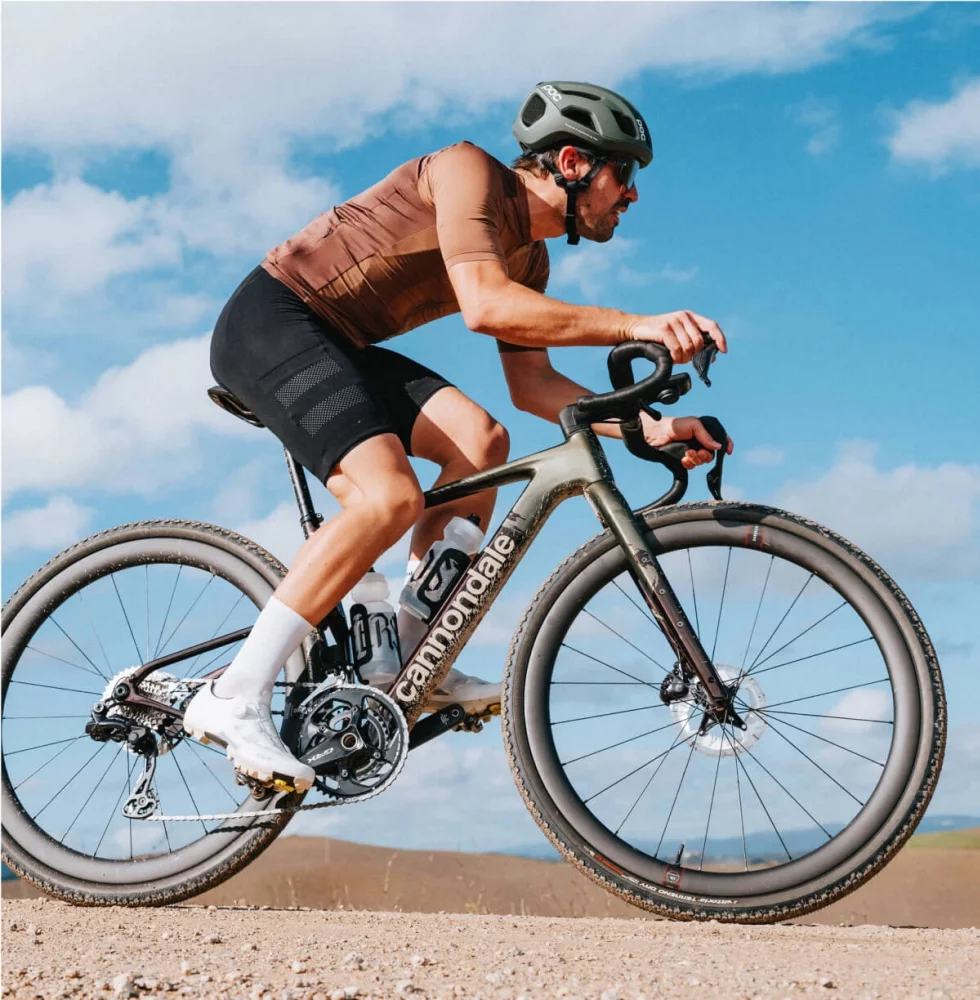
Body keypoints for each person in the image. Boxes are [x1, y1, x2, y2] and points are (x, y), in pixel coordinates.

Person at [183, 81, 733, 793]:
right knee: (388, 499)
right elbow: (484, 305)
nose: (631, 195)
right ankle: (234, 695)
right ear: (572, 163)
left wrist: (652, 428)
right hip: (274, 321)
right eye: (623, 174)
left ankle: (416, 659)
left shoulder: (530, 259)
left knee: (482, 440)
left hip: (339, 345)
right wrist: (639, 324)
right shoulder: (466, 169)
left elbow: (534, 387)